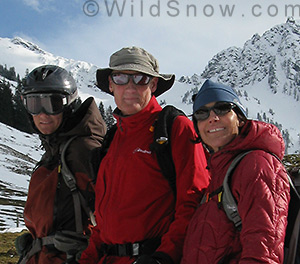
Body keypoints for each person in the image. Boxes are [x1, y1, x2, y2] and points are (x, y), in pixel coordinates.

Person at [79, 46, 210, 264]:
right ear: (111, 85)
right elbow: (103, 222)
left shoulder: (173, 128)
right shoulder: (111, 140)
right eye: (120, 78)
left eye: (140, 78)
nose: (130, 86)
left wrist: (165, 257)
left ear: (154, 84)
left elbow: (194, 201)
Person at [181, 79, 290, 263]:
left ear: (239, 118)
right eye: (202, 113)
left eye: (222, 108)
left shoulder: (257, 165)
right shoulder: (218, 173)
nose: (212, 117)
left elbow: (263, 253)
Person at [15, 65, 107, 264]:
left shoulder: (83, 150)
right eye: (34, 104)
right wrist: (35, 239)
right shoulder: (55, 150)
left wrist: (85, 247)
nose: (42, 114)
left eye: (53, 103)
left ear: (69, 105)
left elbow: (109, 216)